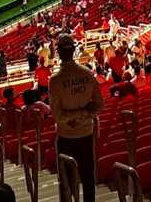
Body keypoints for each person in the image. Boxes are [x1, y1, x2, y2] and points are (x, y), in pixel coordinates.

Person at [48, 35, 103, 202]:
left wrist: (72, 117)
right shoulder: (87, 74)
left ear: (58, 52)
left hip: (66, 136)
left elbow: (58, 116)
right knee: (88, 177)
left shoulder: (55, 80)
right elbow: (99, 105)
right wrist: (84, 113)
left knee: (65, 180)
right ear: (73, 50)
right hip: (86, 133)